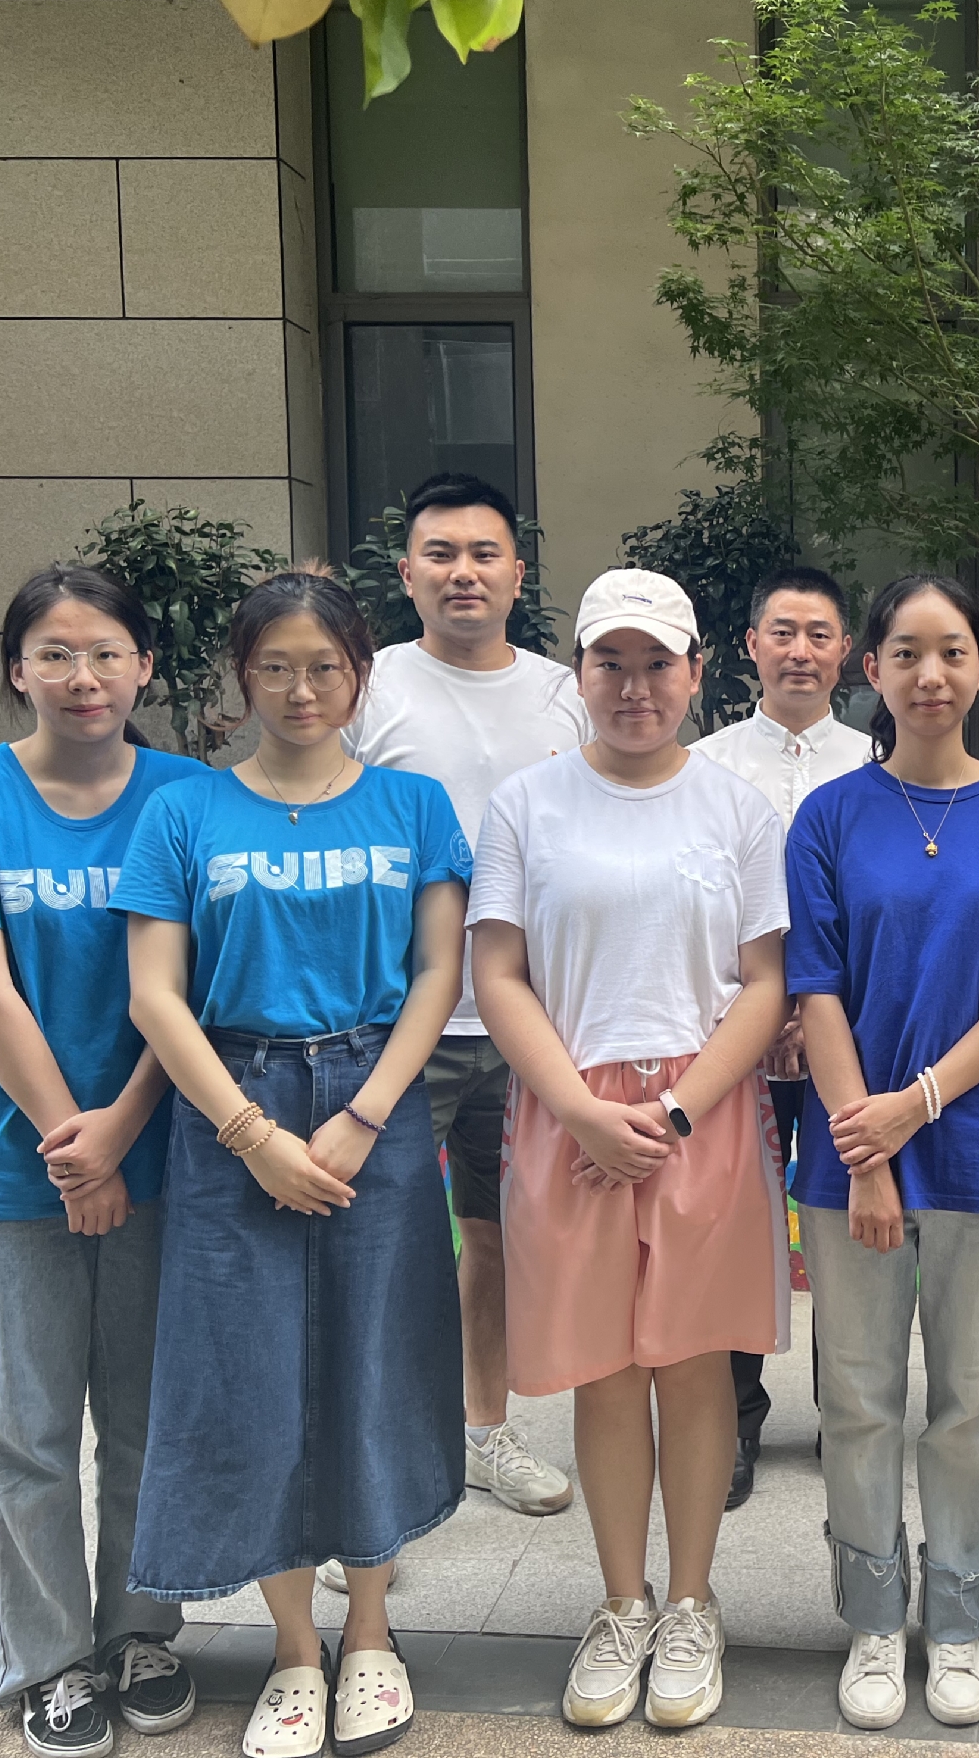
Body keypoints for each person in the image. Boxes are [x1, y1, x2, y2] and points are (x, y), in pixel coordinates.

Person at [115, 572, 471, 1758]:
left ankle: (368, 1632)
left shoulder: (415, 806)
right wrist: (250, 1135)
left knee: (376, 1359)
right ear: (243, 676)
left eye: (326, 667)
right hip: (234, 1099)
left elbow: (438, 973)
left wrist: (365, 1114)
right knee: (249, 1372)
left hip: (375, 1099)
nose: (302, 689)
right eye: (276, 666)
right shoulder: (186, 813)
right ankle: (294, 1649)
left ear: (360, 675)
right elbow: (156, 995)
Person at [0, 566, 205, 1758]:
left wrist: (121, 1131)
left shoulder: (187, 797)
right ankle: (51, 1660)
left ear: (145, 667)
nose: (84, 677)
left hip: (158, 1149)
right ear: (17, 669)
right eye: (57, 654)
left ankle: (140, 1633)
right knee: (24, 1431)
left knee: (144, 1420)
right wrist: (79, 1148)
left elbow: (189, 991)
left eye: (108, 652)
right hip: (8, 1162)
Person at [472, 568, 789, 1731]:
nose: (635, 685)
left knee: (694, 1365)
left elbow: (765, 982)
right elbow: (497, 971)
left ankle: (692, 1602)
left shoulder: (738, 809)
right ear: (579, 673)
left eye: (658, 663)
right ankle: (622, 1603)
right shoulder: (527, 805)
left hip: (702, 1112)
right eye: (611, 662)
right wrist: (579, 1112)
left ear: (698, 672)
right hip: (568, 1114)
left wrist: (678, 1114)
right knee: (606, 1370)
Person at [784, 575, 979, 1731]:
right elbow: (814, 987)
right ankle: (873, 1618)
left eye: (952, 651)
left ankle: (956, 1621)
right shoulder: (829, 816)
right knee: (859, 1397)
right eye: (906, 652)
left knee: (970, 1398)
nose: (930, 674)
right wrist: (868, 1154)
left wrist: (914, 1106)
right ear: (872, 669)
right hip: (847, 1152)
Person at [342, 472, 589, 1534]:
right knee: (380, 1243)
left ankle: (485, 1431)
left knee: (494, 1238)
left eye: (484, 554)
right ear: (406, 574)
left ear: (518, 573)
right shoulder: (366, 689)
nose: (463, 573)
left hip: (529, 1022)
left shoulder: (565, 693)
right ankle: (374, 1460)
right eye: (440, 554)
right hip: (398, 1022)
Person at [689, 564, 873, 1510]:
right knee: (730, 1226)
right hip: (734, 1040)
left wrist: (812, 1014)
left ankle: (852, 1415)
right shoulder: (704, 767)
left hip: (853, 1039)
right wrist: (760, 1017)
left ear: (848, 652)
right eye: (783, 633)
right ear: (750, 645)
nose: (801, 652)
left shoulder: (881, 762)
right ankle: (732, 1419)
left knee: (847, 1226)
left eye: (819, 634)